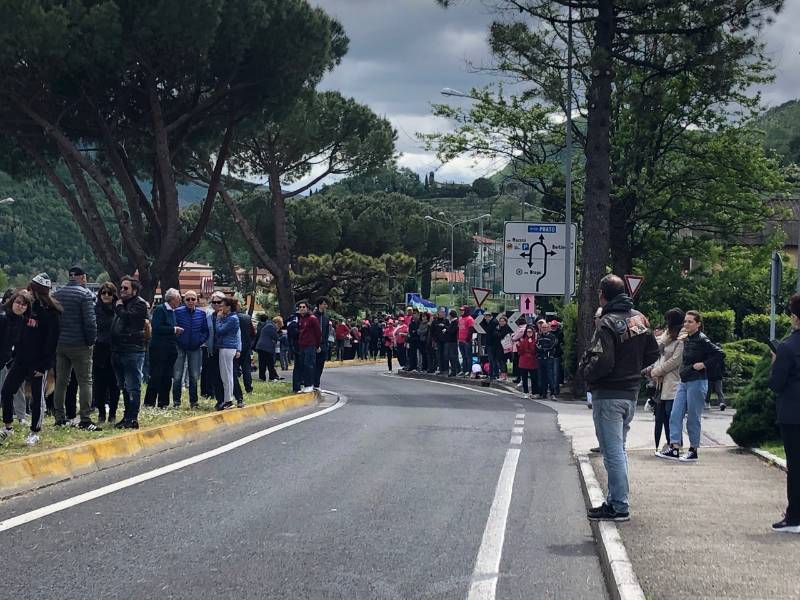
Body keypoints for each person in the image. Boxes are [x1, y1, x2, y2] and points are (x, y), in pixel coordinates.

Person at [580, 274, 658, 522]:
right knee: (618, 449)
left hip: (608, 394)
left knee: (611, 452)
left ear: (602, 294)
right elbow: (653, 353)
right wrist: (633, 369)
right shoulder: (640, 318)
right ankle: (614, 500)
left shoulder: (607, 322)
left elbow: (603, 360)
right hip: (630, 392)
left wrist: (588, 374)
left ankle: (619, 505)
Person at [1, 274, 62, 446]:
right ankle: (8, 427)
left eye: (31, 289)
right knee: (7, 391)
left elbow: (52, 342)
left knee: (37, 398)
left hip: (39, 362)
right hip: (21, 358)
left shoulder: (51, 313)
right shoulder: (28, 307)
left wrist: (44, 366)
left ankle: (35, 431)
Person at [657, 310, 723, 463]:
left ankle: (693, 450)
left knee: (693, 417)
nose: (686, 324)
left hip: (697, 381)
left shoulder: (702, 339)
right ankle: (674, 447)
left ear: (698, 324)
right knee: (675, 414)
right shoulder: (686, 338)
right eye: (685, 321)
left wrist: (704, 364)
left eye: (690, 321)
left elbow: (719, 354)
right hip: (684, 380)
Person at [768, 292, 800, 533]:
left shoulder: (788, 347)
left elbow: (776, 383)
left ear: (795, 317)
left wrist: (774, 361)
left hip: (793, 413)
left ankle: (794, 517)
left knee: (796, 466)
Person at [53, 265, 98, 430]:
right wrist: (91, 341)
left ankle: (59, 416)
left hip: (61, 344)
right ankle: (85, 418)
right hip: (80, 344)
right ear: (83, 277)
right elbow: (90, 322)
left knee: (61, 382)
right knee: (85, 381)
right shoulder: (85, 294)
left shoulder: (57, 294)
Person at [111, 276, 148, 429]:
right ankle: (126, 416)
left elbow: (129, 318)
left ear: (134, 290)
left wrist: (119, 307)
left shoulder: (139, 304)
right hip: (118, 349)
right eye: (121, 287)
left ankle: (132, 418)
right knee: (124, 386)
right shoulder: (123, 304)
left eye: (126, 288)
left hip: (132, 350)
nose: (122, 290)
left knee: (133, 385)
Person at [647, 308, 685, 451]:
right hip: (663, 383)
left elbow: (675, 361)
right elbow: (657, 348)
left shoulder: (682, 338)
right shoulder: (668, 335)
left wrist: (656, 371)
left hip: (675, 381)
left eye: (669, 320)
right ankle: (670, 443)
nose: (667, 323)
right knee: (663, 415)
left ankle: (675, 444)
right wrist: (665, 337)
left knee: (672, 415)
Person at [143, 288, 182, 409]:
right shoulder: (161, 309)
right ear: (171, 299)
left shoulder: (173, 312)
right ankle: (149, 403)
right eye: (178, 298)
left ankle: (163, 403)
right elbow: (157, 327)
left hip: (170, 348)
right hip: (159, 348)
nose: (180, 300)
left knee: (167, 376)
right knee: (156, 375)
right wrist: (174, 329)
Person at [0, 291, 32, 427]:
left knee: (13, 389)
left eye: (24, 304)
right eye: (18, 302)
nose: (20, 306)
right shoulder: (3, 317)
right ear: (12, 302)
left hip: (14, 360)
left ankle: (19, 417)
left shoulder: (25, 321)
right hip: (3, 358)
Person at [172, 290, 208, 408]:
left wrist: (199, 341)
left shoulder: (201, 314)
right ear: (184, 300)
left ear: (196, 300)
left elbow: (205, 331)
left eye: (193, 299)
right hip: (180, 347)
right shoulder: (177, 312)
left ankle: (194, 401)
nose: (191, 301)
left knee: (194, 375)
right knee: (177, 375)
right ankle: (176, 401)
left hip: (195, 348)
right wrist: (178, 340)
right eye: (188, 299)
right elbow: (173, 327)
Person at [93, 283, 121, 423]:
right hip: (99, 349)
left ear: (113, 295)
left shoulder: (119, 310)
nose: (106, 295)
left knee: (114, 384)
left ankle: (113, 413)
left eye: (109, 293)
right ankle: (101, 413)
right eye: (103, 293)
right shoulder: (95, 309)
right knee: (99, 384)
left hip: (115, 349)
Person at [214, 296, 241, 410]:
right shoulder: (229, 317)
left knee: (227, 375)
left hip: (227, 347)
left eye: (222, 306)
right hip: (225, 347)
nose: (221, 308)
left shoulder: (232, 319)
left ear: (228, 307)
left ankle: (228, 400)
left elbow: (220, 331)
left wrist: (218, 319)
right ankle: (227, 399)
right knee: (225, 375)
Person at [296, 301, 321, 393]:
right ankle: (305, 384)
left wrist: (317, 345)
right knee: (303, 365)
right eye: (300, 307)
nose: (302, 309)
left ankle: (309, 384)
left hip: (310, 345)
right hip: (302, 345)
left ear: (307, 308)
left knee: (309, 365)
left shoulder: (312, 319)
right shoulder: (301, 319)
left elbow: (318, 333)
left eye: (303, 307)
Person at [536, 319, 560, 400]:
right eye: (543, 327)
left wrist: (543, 348)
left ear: (548, 328)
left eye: (545, 327)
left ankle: (553, 393)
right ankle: (542, 393)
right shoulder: (539, 336)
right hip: (540, 358)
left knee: (550, 377)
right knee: (541, 377)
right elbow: (537, 347)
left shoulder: (552, 337)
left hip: (548, 359)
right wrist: (542, 349)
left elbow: (551, 346)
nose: (544, 329)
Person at [255, 314, 280, 381]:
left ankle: (262, 377)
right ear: (277, 323)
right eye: (279, 326)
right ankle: (272, 377)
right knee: (270, 363)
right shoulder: (271, 326)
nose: (278, 327)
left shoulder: (267, 325)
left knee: (262, 363)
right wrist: (277, 331)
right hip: (267, 348)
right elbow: (276, 337)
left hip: (261, 346)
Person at [314, 297, 331, 390]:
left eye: (326, 304)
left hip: (323, 345)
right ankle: (311, 382)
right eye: (324, 304)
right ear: (319, 305)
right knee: (313, 365)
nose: (325, 306)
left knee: (320, 365)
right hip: (314, 344)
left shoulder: (326, 318)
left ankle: (317, 383)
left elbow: (327, 332)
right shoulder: (313, 317)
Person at [516, 325, 538, 399]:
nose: (529, 333)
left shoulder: (535, 341)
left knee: (534, 378)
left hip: (532, 361)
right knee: (524, 378)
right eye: (528, 332)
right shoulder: (523, 340)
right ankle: (526, 392)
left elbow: (534, 351)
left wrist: (531, 343)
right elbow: (520, 352)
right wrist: (518, 346)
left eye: (530, 332)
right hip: (524, 361)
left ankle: (534, 392)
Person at [457, 306, 474, 375]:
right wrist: (458, 338)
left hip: (467, 341)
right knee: (463, 356)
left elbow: (471, 330)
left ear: (466, 311)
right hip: (460, 340)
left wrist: (467, 339)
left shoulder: (470, 319)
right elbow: (459, 329)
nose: (461, 312)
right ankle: (464, 370)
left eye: (462, 310)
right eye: (460, 310)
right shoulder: (460, 318)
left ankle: (469, 371)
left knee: (468, 356)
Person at [444, 310, 460, 376]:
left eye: (449, 315)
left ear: (451, 315)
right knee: (450, 356)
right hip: (450, 341)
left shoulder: (455, 322)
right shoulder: (452, 322)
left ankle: (456, 370)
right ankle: (454, 370)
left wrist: (446, 330)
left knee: (453, 357)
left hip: (453, 342)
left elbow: (452, 331)